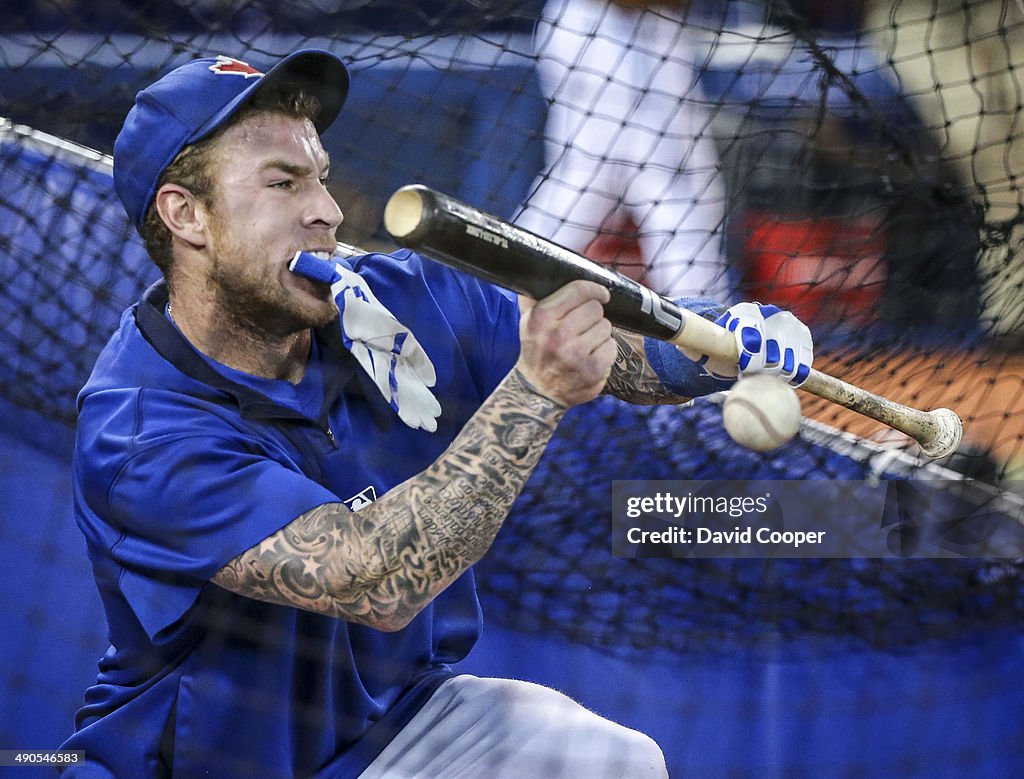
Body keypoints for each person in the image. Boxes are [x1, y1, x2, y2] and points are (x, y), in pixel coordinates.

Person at [60, 48, 812, 777]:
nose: (326, 210)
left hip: (400, 724)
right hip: (213, 764)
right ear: (186, 215)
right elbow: (375, 578)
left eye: (320, 178)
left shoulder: (385, 302)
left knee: (609, 762)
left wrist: (713, 344)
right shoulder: (138, 432)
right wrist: (538, 390)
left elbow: (594, 338)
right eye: (283, 184)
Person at [516, 0, 730, 300]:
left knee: (584, 187)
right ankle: (710, 324)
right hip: (600, 30)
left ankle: (502, 289)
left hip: (645, 34)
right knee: (664, 193)